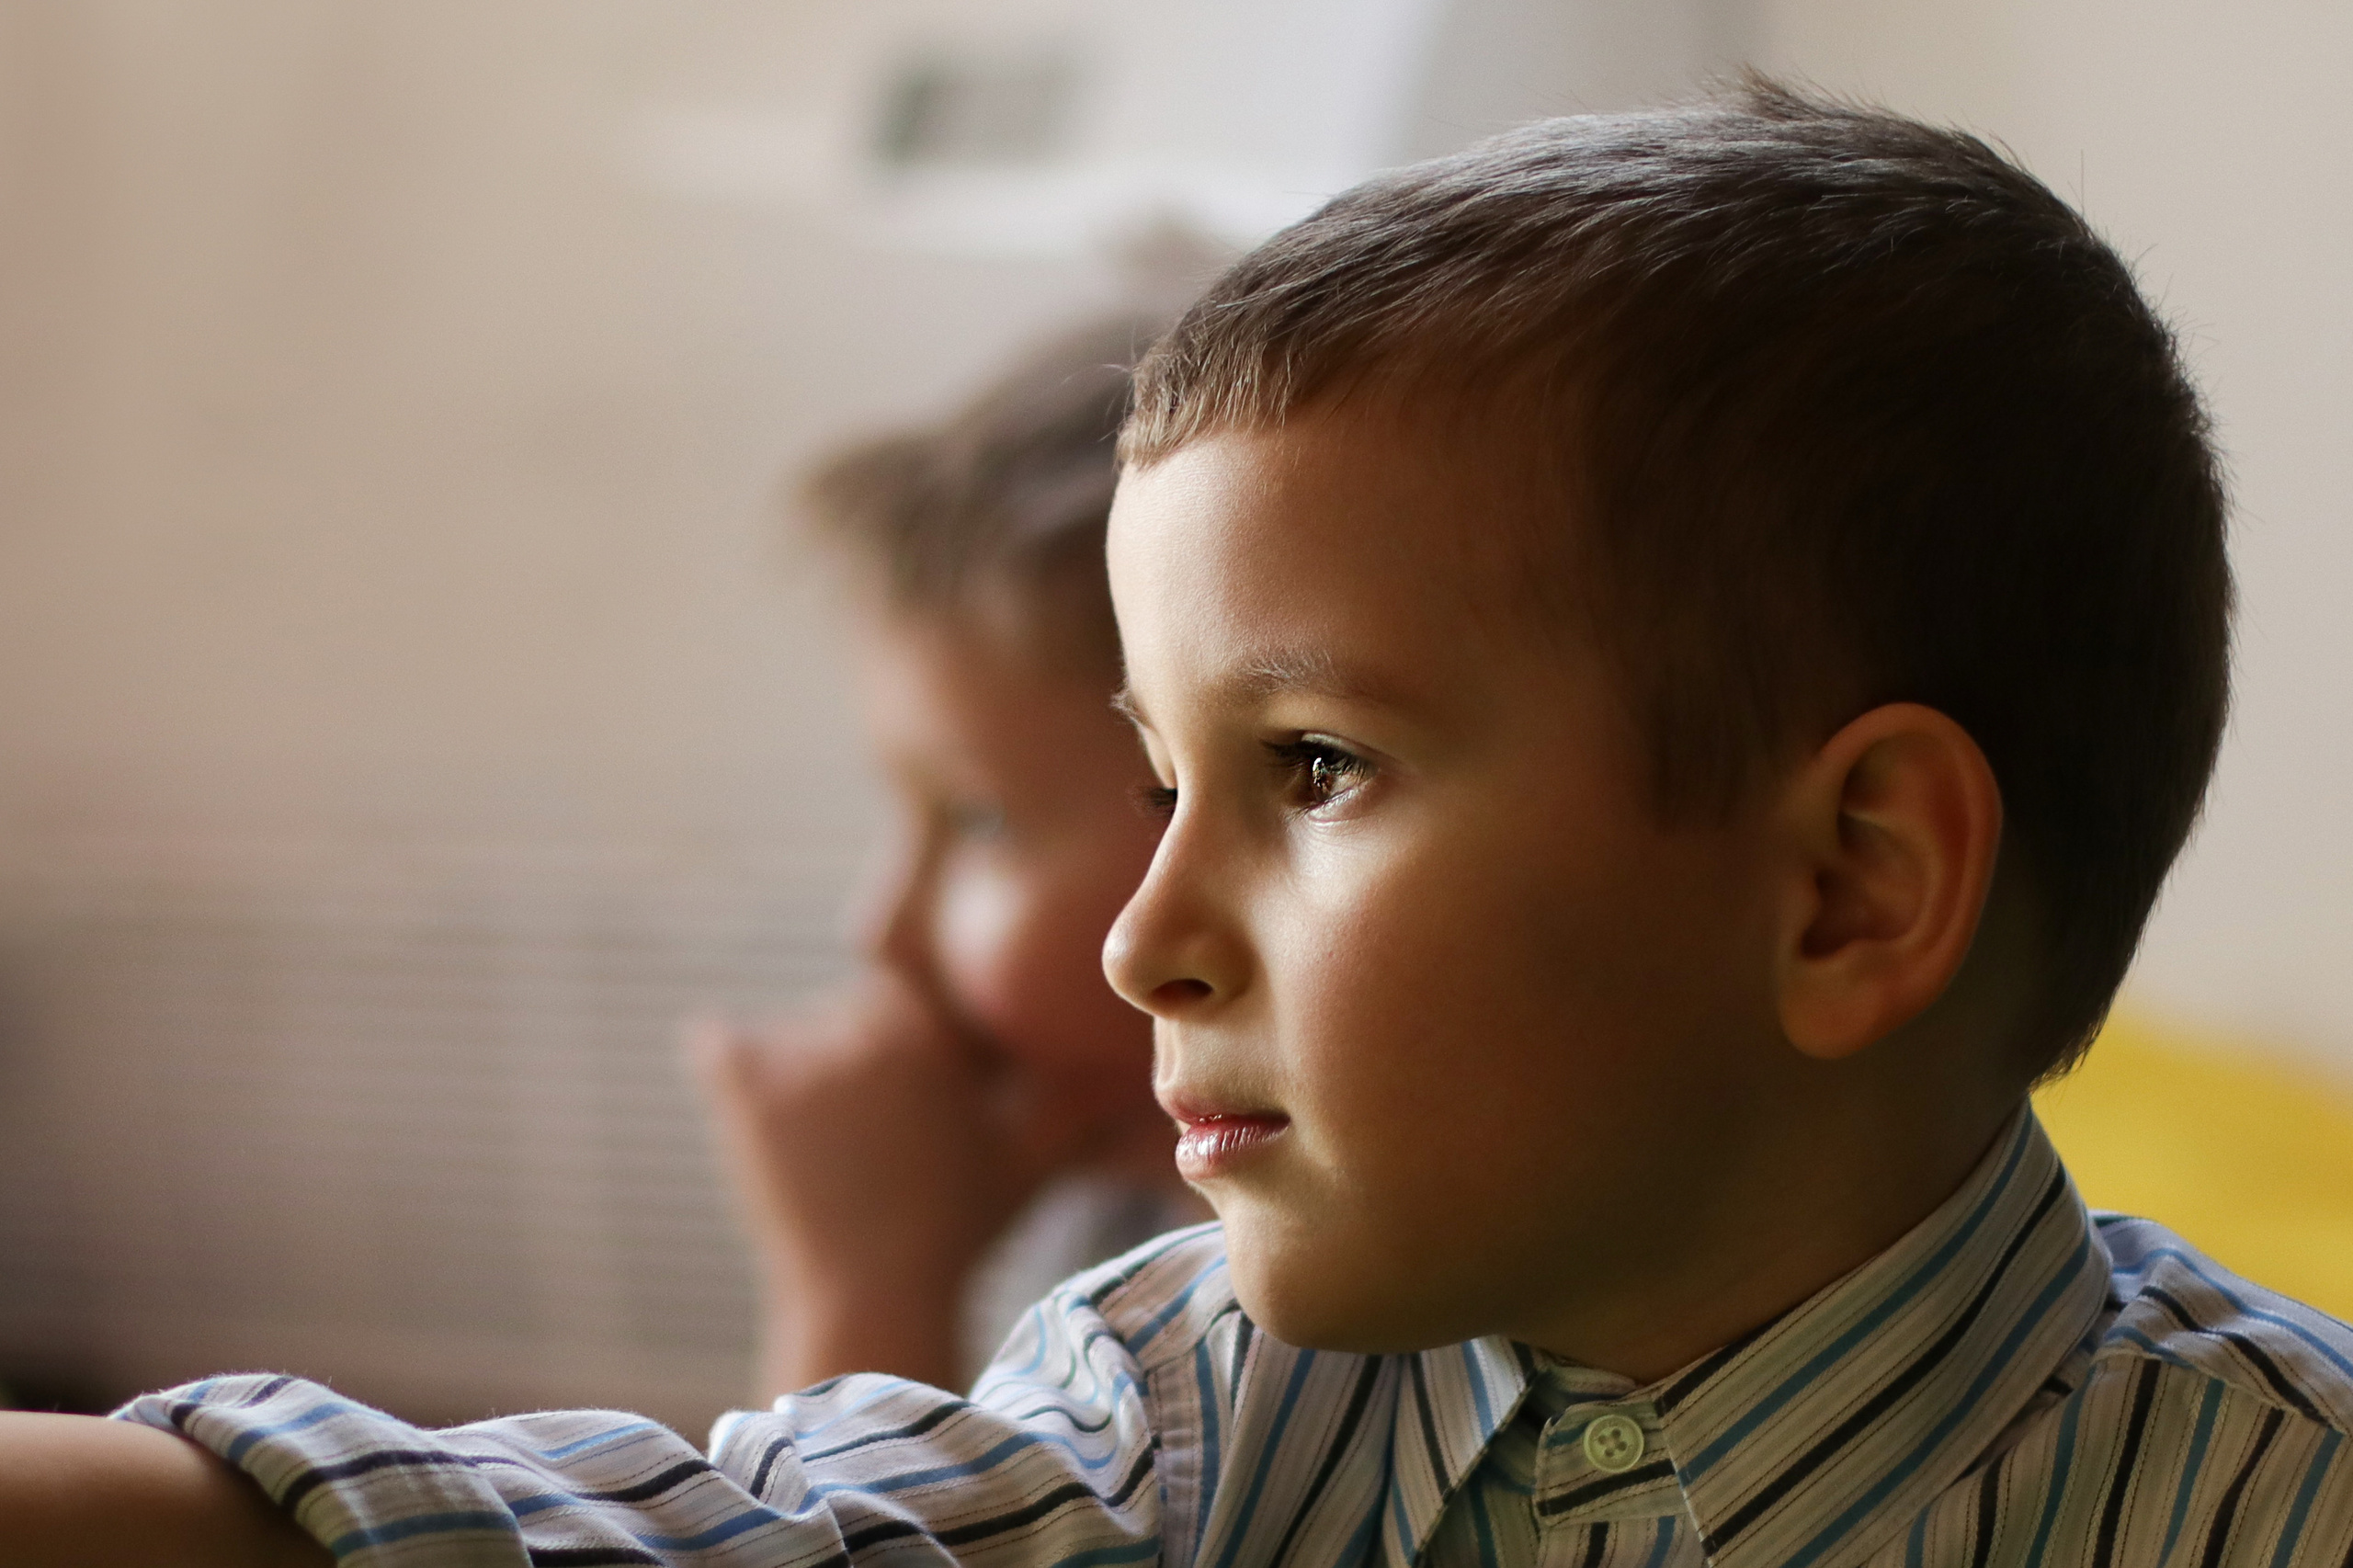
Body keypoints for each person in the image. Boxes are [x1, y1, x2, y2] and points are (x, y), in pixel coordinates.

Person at [9, 78, 2353, 1566]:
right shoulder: (1186, 1391)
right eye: (1148, 780)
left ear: (1846, 886)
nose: (1144, 937)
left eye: (1310, 766)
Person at [688, 316, 1205, 1400]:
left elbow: (859, 1506)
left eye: (980, 820)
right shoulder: (1114, 1228)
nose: (878, 930)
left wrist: (862, 1289)